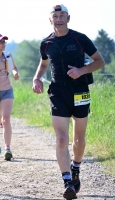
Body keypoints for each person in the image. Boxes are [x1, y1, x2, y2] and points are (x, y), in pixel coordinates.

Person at [32, 4, 105, 199]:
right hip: (58, 92)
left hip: (80, 90)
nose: (58, 19)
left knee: (79, 139)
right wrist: (37, 77)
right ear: (50, 20)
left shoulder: (79, 38)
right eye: (55, 16)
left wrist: (81, 71)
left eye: (62, 15)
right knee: (62, 138)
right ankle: (67, 182)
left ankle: (76, 168)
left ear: (68, 18)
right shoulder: (46, 43)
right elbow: (44, 62)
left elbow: (100, 61)